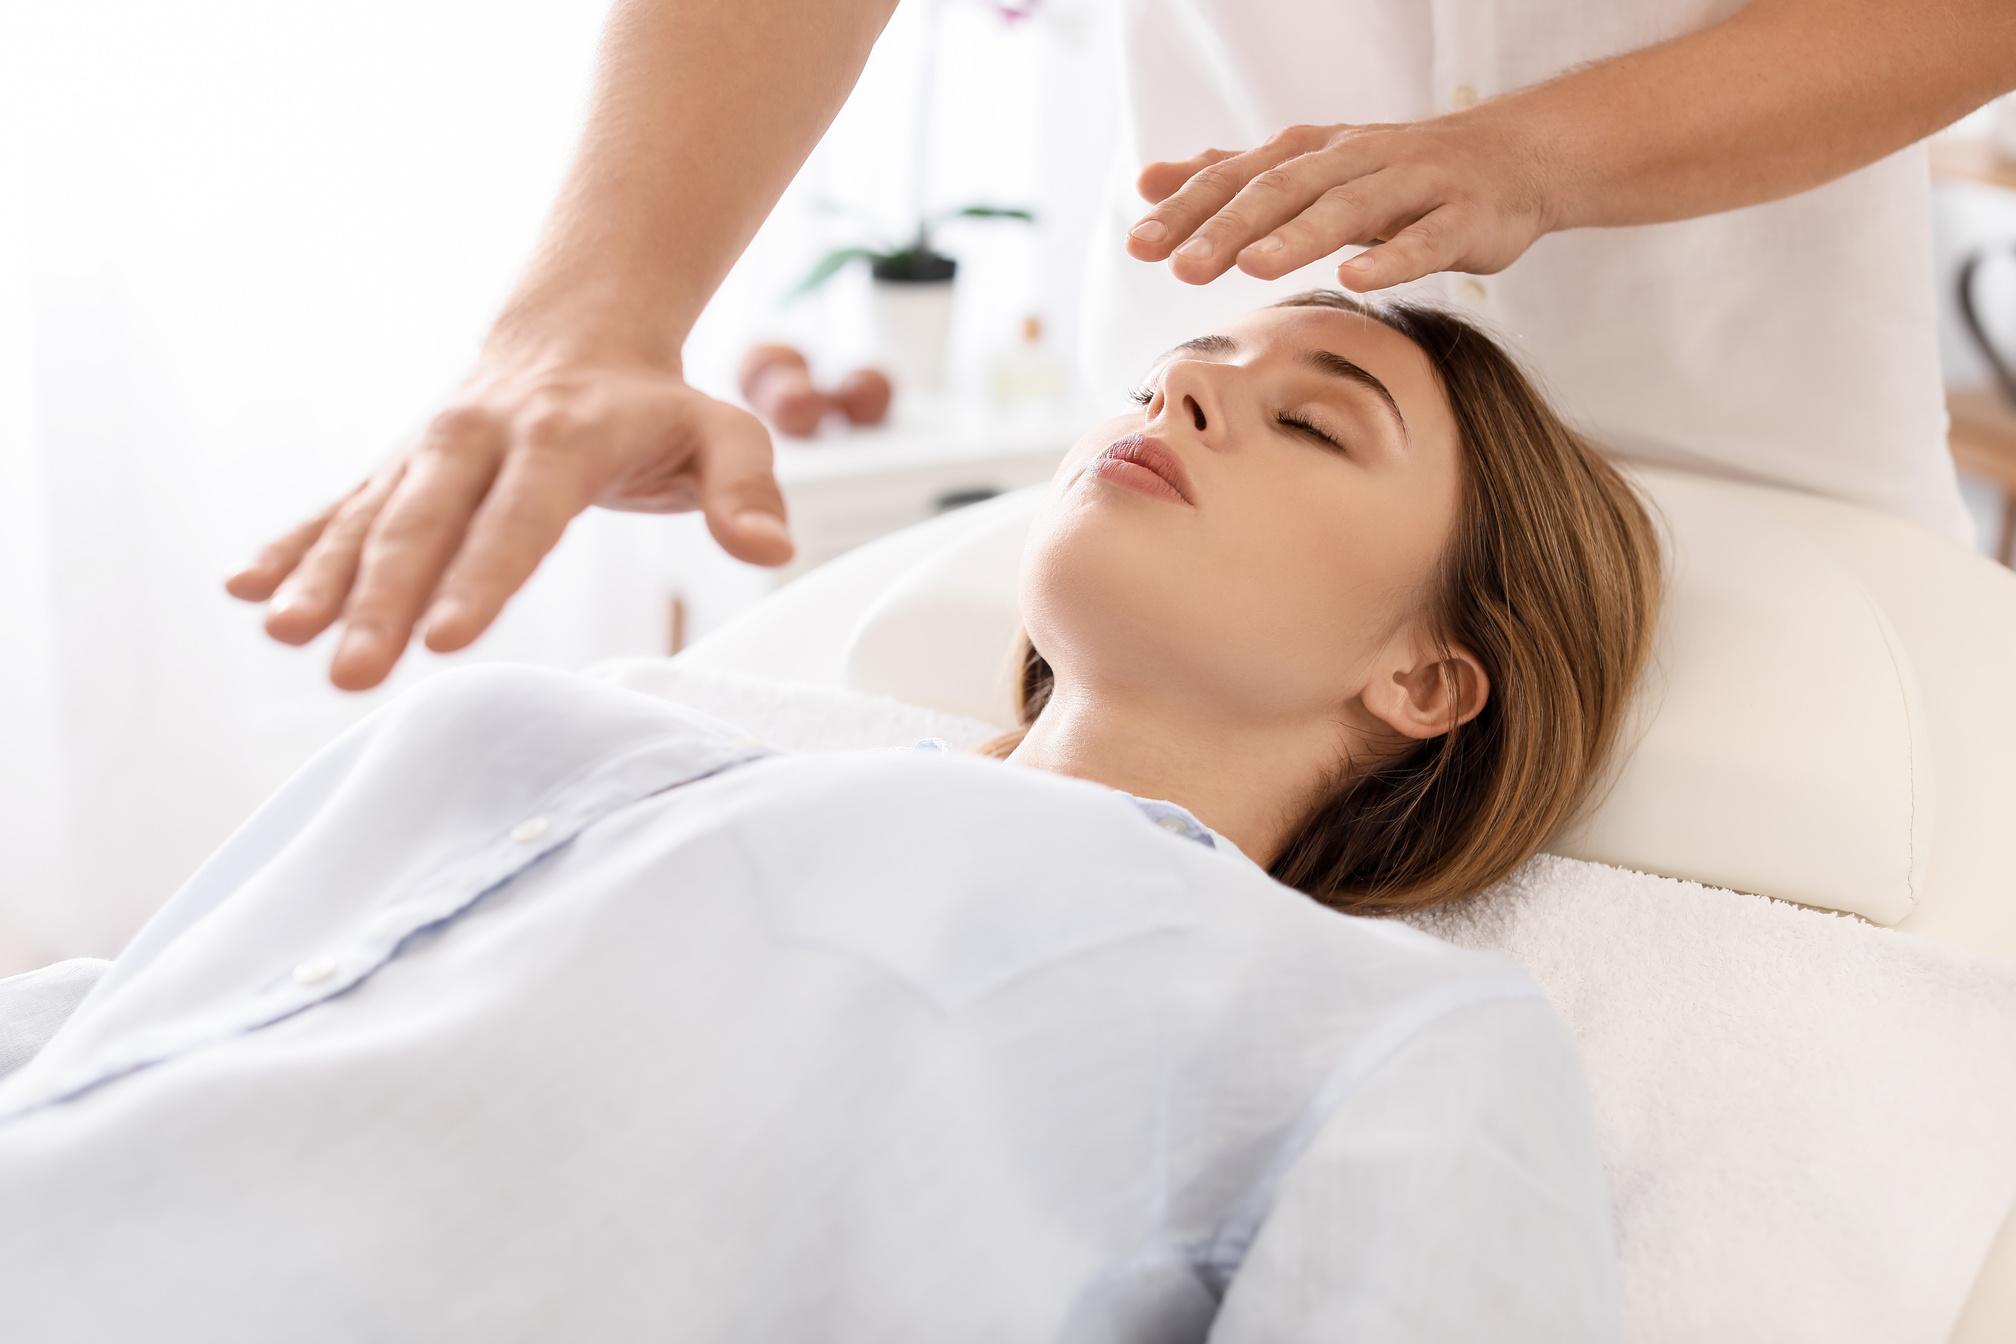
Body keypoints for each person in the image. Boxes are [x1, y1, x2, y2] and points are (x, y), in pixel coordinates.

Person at [2, 297, 1655, 1338]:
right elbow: (119, 1021)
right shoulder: (571, 735)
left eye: (1314, 419)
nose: (1185, 400)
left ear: (1432, 679)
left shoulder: (1381, 1034)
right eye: (1176, 369)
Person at [219, 0, 2015, 693]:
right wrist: (592, 311)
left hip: (1760, 435)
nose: (1205, 398)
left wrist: (1536, 155)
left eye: (1304, 422)